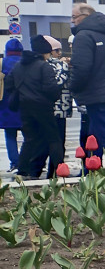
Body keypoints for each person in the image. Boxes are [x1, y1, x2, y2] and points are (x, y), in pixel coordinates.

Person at [67, 3, 105, 163]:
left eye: (74, 17)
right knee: (94, 135)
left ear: (85, 16)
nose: (72, 21)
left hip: (97, 94)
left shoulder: (84, 36)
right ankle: (91, 170)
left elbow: (81, 68)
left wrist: (72, 88)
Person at [10, 36, 61, 179]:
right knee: (53, 139)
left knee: (29, 139)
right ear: (45, 52)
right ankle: (58, 170)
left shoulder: (18, 66)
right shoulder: (44, 66)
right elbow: (51, 89)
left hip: (24, 107)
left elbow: (9, 85)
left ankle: (22, 170)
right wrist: (54, 96)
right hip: (43, 107)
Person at [44, 36, 71, 168]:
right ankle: (56, 168)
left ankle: (53, 168)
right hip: (60, 108)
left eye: (60, 50)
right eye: (56, 50)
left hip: (51, 108)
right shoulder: (60, 65)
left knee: (51, 140)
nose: (59, 53)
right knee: (58, 140)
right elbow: (59, 82)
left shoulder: (44, 64)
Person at [0, 39, 23, 171]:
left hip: (6, 105)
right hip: (24, 103)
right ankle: (27, 160)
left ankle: (15, 162)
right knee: (29, 135)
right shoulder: (25, 63)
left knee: (10, 135)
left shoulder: (2, 63)